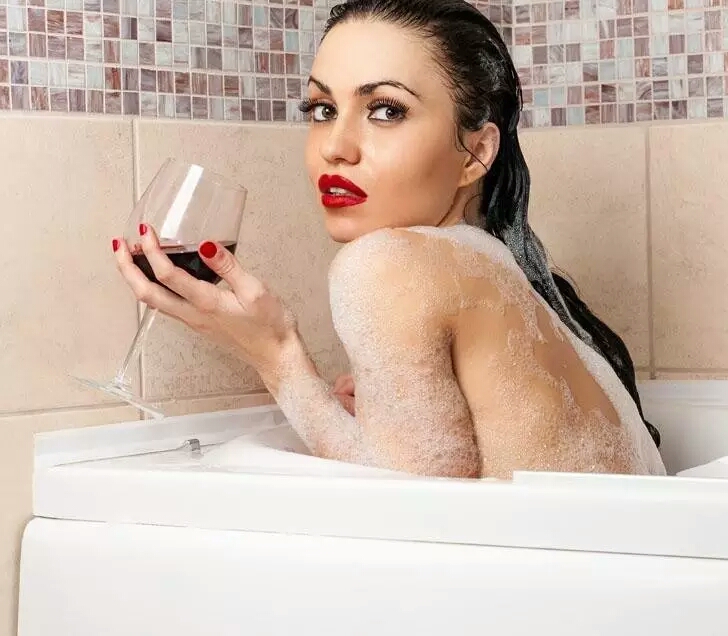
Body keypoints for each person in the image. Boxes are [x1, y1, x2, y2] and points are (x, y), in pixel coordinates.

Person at [111, 0, 667, 479]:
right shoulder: (502, 276)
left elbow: (403, 513)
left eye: (385, 110)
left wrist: (276, 354)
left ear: (476, 153)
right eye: (323, 110)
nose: (335, 146)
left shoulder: (388, 263)